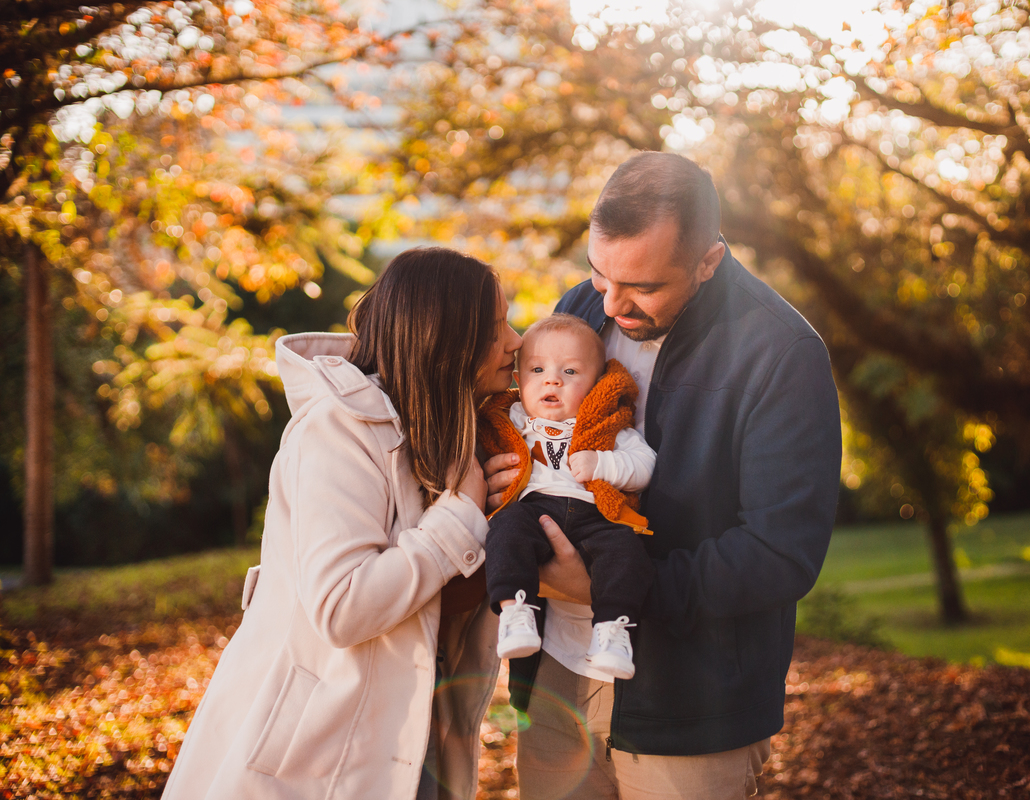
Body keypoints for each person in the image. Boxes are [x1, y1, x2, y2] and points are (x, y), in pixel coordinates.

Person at [482, 152, 842, 800]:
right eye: (599, 274)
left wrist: (613, 587)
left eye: (643, 288)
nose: (612, 303)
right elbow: (530, 417)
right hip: (558, 675)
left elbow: (781, 553)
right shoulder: (581, 309)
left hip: (692, 703)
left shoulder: (781, 353)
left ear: (708, 261)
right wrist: (506, 471)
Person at [163, 247, 523, 800]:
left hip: (414, 736)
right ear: (448, 340)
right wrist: (462, 515)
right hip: (319, 754)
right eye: (497, 325)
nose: (516, 340)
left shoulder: (458, 432)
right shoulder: (338, 430)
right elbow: (342, 607)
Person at [481, 313, 656, 680]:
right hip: (533, 510)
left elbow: (644, 466)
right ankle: (516, 612)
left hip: (594, 516)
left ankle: (613, 631)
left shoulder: (606, 428)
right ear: (518, 379)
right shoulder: (511, 419)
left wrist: (602, 464)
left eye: (571, 372)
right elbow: (482, 455)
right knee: (506, 529)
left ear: (597, 385)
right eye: (537, 369)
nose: (552, 379)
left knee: (625, 551)